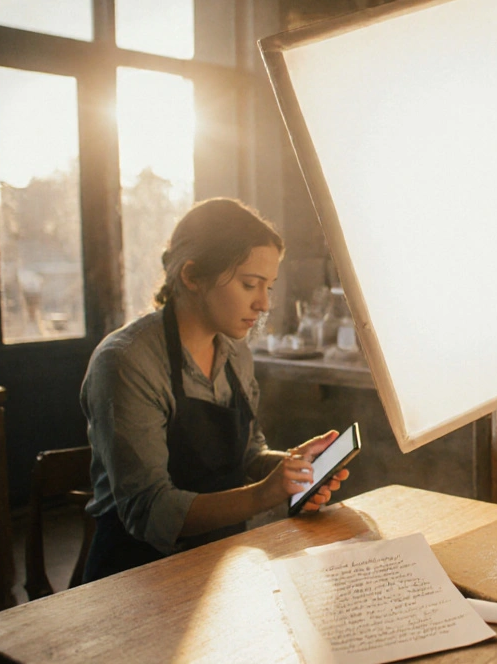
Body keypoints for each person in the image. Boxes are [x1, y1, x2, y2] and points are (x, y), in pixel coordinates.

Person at [82, 198, 350, 582]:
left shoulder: (233, 350)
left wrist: (291, 466)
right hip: (134, 577)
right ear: (191, 276)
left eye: (269, 286)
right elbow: (151, 511)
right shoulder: (126, 362)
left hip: (219, 564)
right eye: (249, 284)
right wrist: (263, 494)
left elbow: (247, 454)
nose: (264, 303)